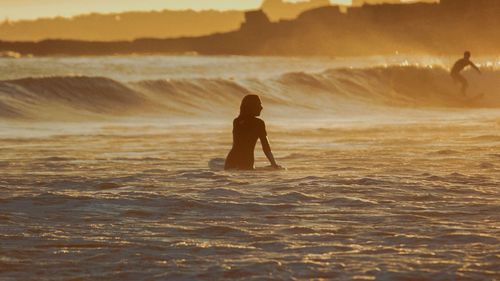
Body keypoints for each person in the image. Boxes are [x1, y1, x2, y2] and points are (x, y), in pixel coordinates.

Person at [224, 94, 280, 170]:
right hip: (246, 163)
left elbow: (237, 144)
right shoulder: (259, 123)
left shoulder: (237, 121)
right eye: (259, 104)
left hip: (230, 162)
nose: (261, 107)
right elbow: (266, 147)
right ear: (252, 107)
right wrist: (274, 164)